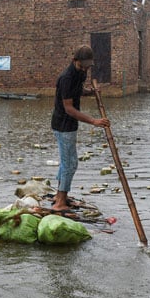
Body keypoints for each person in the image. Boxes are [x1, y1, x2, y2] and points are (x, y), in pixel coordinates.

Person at [51, 45, 110, 212]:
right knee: (70, 163)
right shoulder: (66, 78)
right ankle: (60, 203)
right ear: (74, 60)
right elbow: (69, 108)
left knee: (66, 162)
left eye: (87, 66)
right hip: (63, 125)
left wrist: (90, 92)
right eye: (82, 65)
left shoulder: (81, 73)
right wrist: (94, 121)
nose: (85, 69)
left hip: (69, 124)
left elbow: (76, 92)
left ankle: (59, 195)